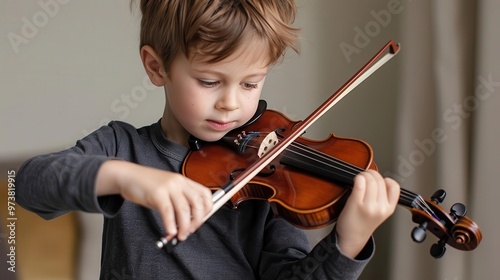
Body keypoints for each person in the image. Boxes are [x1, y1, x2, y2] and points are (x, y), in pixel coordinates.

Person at [16, 0, 400, 279]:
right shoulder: (123, 148)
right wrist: (124, 177)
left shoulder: (273, 181)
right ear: (156, 66)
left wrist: (348, 244)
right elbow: (31, 184)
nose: (231, 103)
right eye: (209, 81)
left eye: (251, 83)